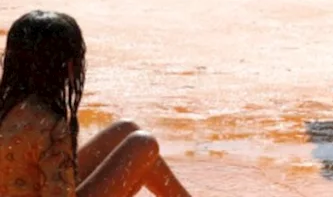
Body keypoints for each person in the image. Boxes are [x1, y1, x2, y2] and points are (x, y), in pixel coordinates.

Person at [0, 10, 192, 197]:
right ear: (67, 65)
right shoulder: (49, 125)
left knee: (125, 130)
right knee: (143, 144)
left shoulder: (8, 108)